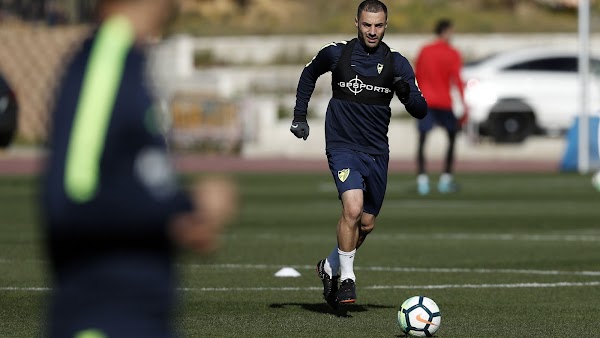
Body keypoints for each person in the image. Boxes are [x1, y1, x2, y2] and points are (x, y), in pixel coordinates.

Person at [40, 1, 237, 337]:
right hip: (102, 318)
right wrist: (186, 205)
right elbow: (70, 200)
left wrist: (180, 221)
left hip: (140, 319)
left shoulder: (128, 61)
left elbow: (123, 185)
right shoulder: (104, 62)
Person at [290, 0, 427, 309]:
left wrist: (405, 94)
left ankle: (330, 266)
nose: (372, 31)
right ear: (356, 22)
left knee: (365, 223)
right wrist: (300, 116)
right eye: (367, 24)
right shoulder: (337, 53)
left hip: (377, 151)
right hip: (342, 145)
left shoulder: (397, 63)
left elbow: (421, 110)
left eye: (378, 25)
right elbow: (309, 74)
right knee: (352, 208)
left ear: (386, 26)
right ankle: (348, 279)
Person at [414, 18, 468, 195]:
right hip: (444, 101)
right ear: (445, 31)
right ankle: (445, 179)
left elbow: (417, 76)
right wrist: (464, 104)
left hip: (426, 101)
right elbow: (457, 80)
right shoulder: (452, 53)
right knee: (452, 138)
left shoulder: (424, 51)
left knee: (423, 140)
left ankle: (422, 180)